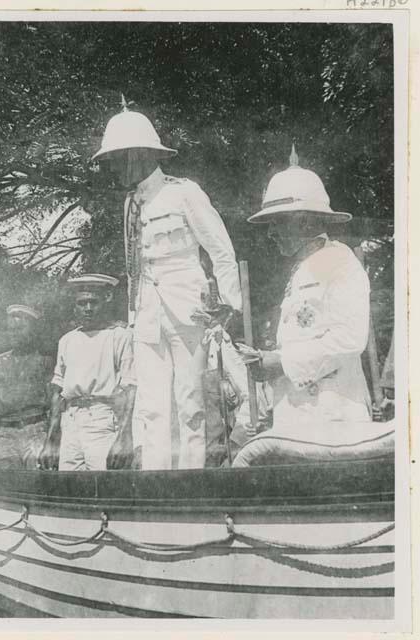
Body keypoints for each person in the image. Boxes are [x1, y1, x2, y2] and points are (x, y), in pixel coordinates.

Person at [92, 103, 242, 470]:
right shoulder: (130, 204)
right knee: (152, 406)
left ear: (137, 154)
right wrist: (132, 316)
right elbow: (135, 269)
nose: (112, 167)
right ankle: (157, 482)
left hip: (187, 309)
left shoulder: (183, 193)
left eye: (116, 158)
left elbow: (221, 250)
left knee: (190, 403)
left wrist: (230, 305)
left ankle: (190, 481)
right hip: (147, 315)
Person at [237, 147, 372, 436]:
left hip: (334, 416)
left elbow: (350, 340)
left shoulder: (342, 263)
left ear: (307, 220)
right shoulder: (301, 269)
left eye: (278, 221)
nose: (271, 232)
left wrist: (282, 363)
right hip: (298, 418)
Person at [39, 274, 136, 471]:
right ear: (75, 306)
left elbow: (131, 387)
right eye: (82, 303)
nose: (88, 308)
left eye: (94, 302)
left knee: (104, 485)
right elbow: (58, 390)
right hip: (71, 422)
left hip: (103, 419)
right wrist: (51, 438)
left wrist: (125, 437)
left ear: (105, 301)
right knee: (68, 486)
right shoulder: (67, 340)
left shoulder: (120, 336)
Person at [0, 305, 53, 468]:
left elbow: (54, 403)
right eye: (10, 329)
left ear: (33, 331)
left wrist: (51, 440)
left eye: (20, 328)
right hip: (6, 434)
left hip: (36, 431)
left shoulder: (44, 361)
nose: (14, 333)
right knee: (5, 483)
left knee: (37, 479)